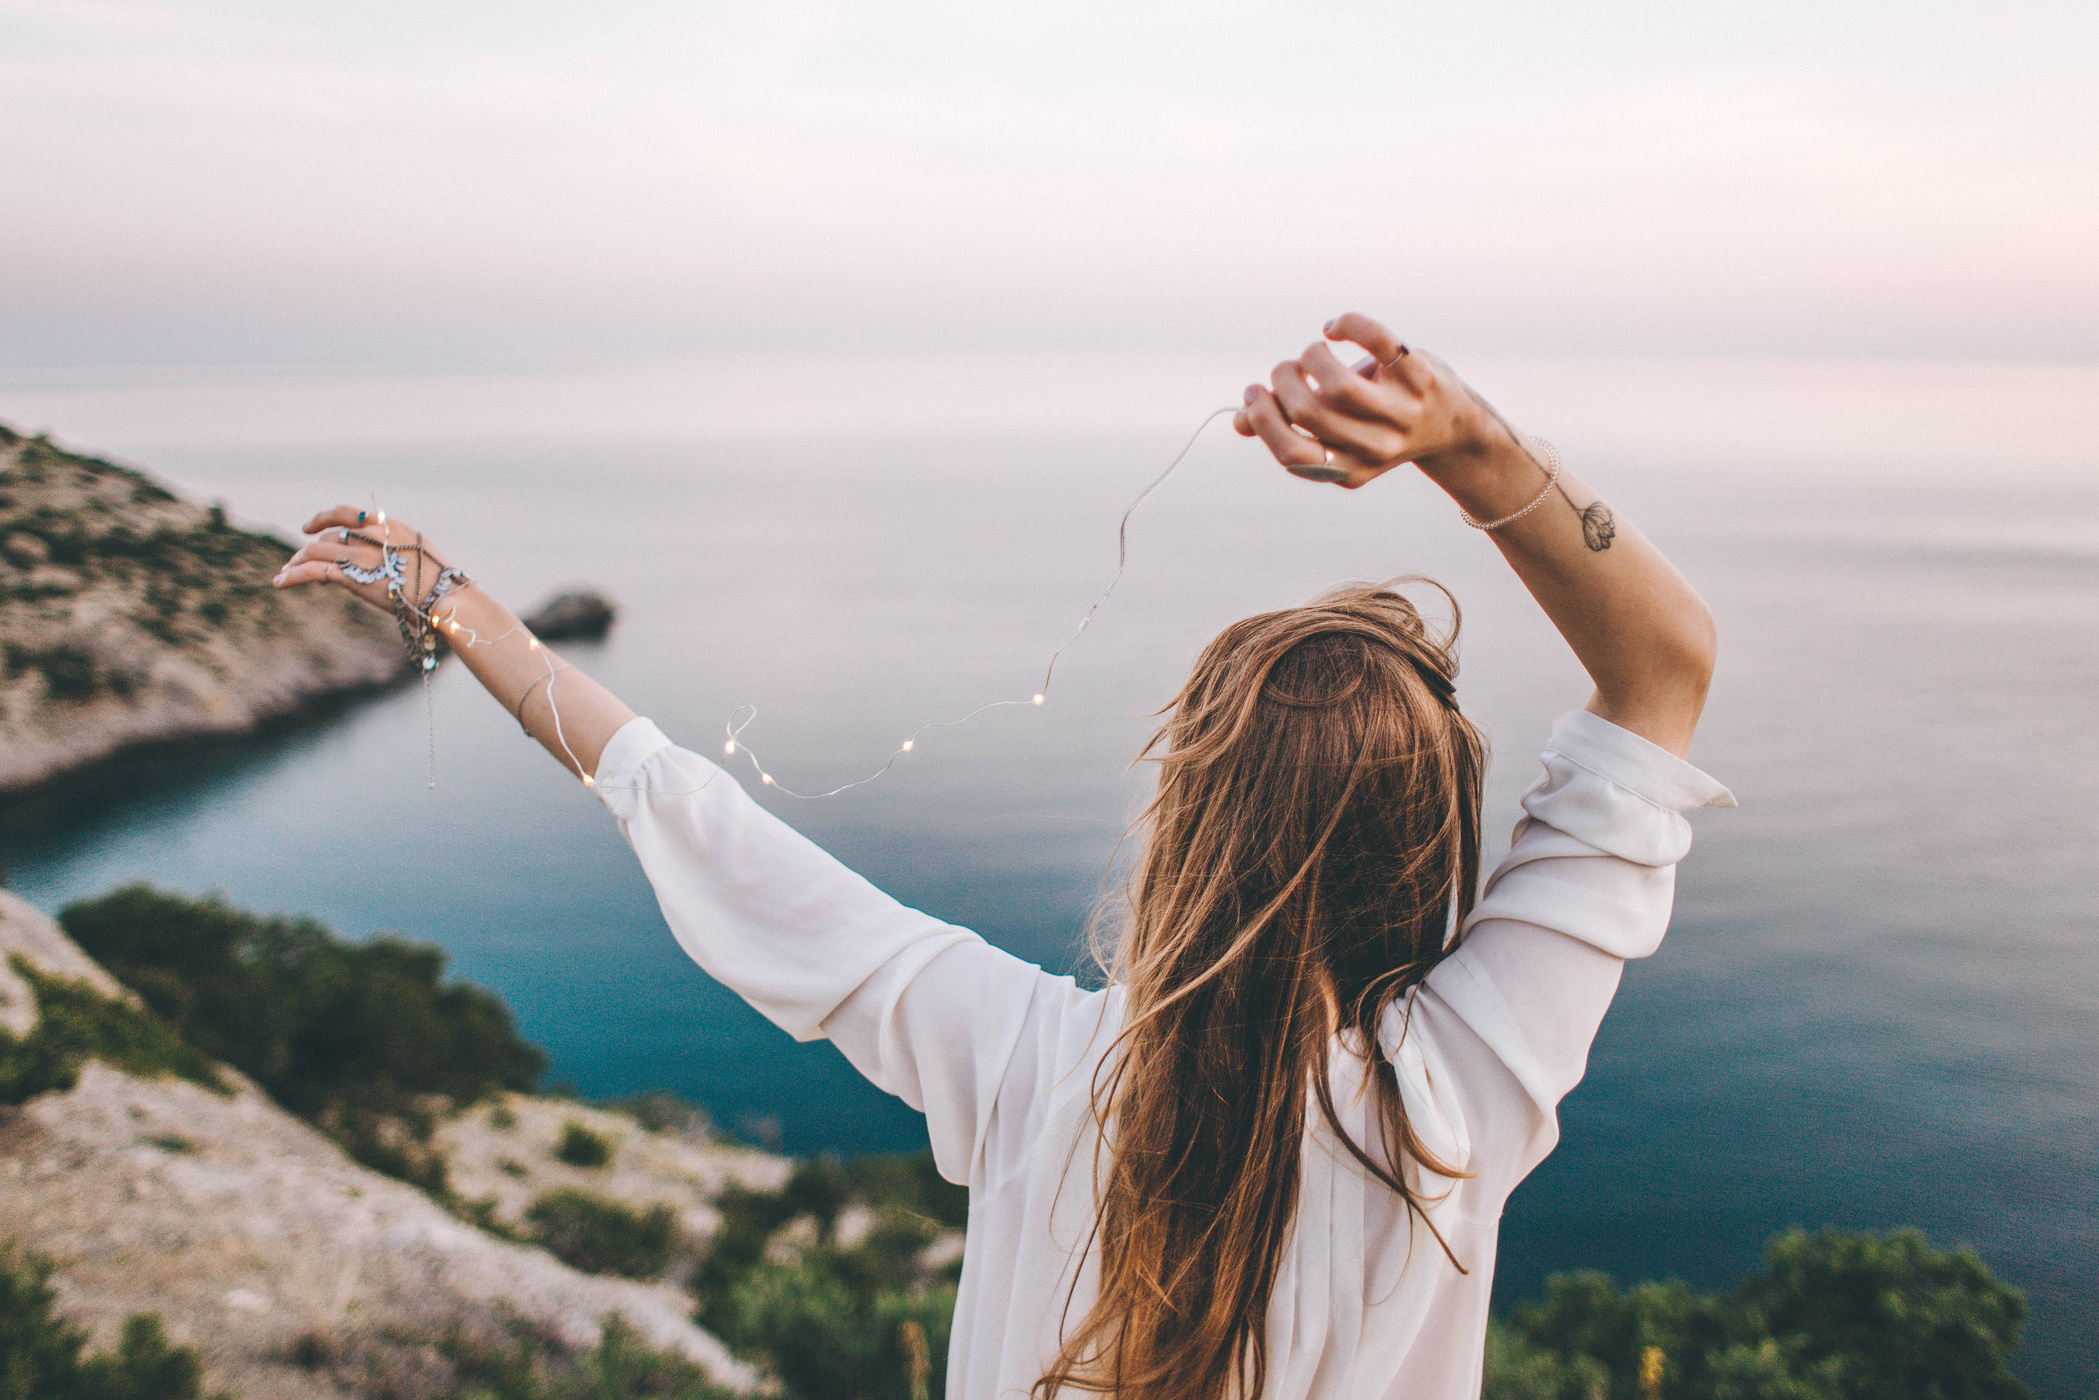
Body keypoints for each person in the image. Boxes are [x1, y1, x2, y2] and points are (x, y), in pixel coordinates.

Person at [275, 313, 1731, 1400]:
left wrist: (452, 603)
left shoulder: (1035, 1066)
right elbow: (1662, 666)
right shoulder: (1462, 1102)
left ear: (1182, 825)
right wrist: (1459, 439)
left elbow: (696, 819)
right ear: (1428, 855)